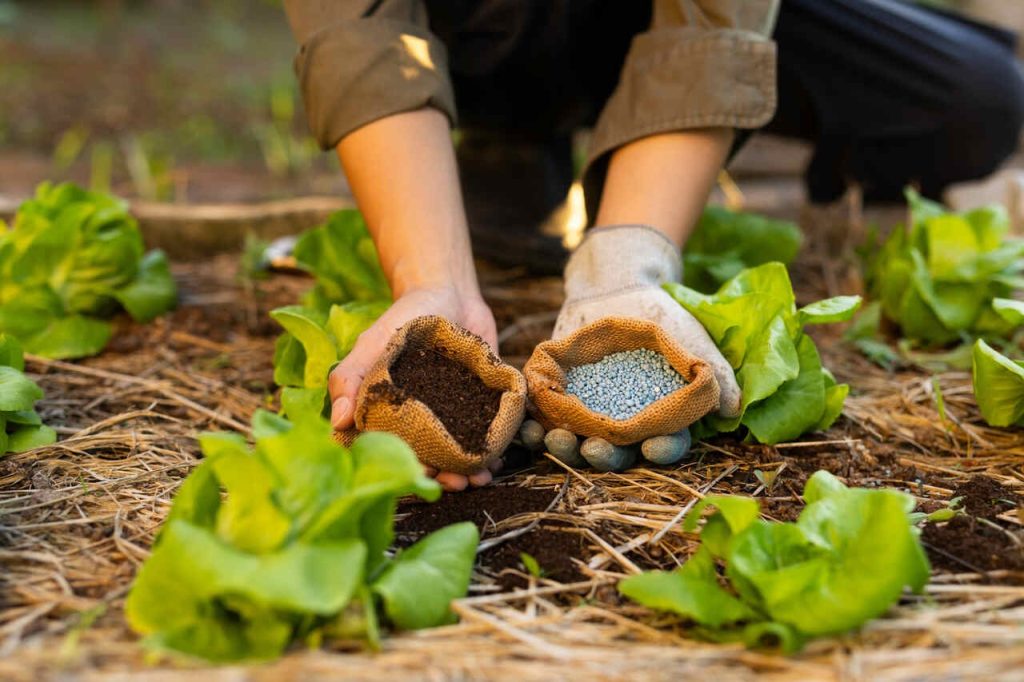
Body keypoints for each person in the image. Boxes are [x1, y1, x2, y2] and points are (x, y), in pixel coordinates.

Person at [283, 0, 1024, 491]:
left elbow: (710, 21)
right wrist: (430, 278)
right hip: (476, 25)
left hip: (646, 17)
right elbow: (361, 31)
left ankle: (613, 149)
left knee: (978, 100)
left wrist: (623, 265)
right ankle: (508, 136)